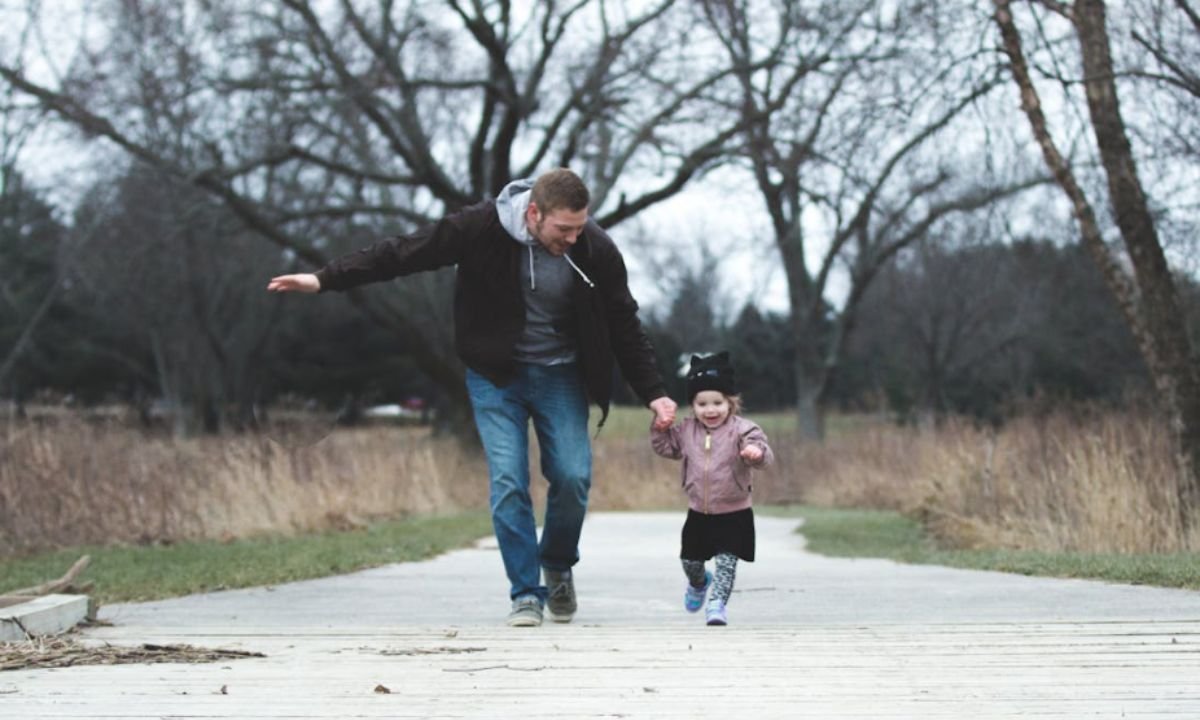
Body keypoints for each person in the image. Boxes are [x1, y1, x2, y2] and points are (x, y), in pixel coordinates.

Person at [267, 168, 676, 627]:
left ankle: (557, 563)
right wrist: (325, 279)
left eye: (580, 227)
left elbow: (624, 322)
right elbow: (404, 253)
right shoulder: (480, 227)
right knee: (508, 482)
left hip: (560, 374)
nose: (573, 238)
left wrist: (655, 394)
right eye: (564, 229)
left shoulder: (594, 248)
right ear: (534, 212)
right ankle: (526, 593)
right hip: (495, 375)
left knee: (573, 477)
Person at [650, 351, 774, 626]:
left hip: (735, 512)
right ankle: (698, 583)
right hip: (699, 512)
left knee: (727, 564)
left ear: (730, 402)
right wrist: (659, 428)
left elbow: (764, 453)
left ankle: (717, 606)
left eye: (717, 402)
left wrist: (756, 452)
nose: (710, 410)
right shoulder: (686, 431)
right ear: (693, 406)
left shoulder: (743, 430)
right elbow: (665, 448)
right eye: (702, 403)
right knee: (690, 562)